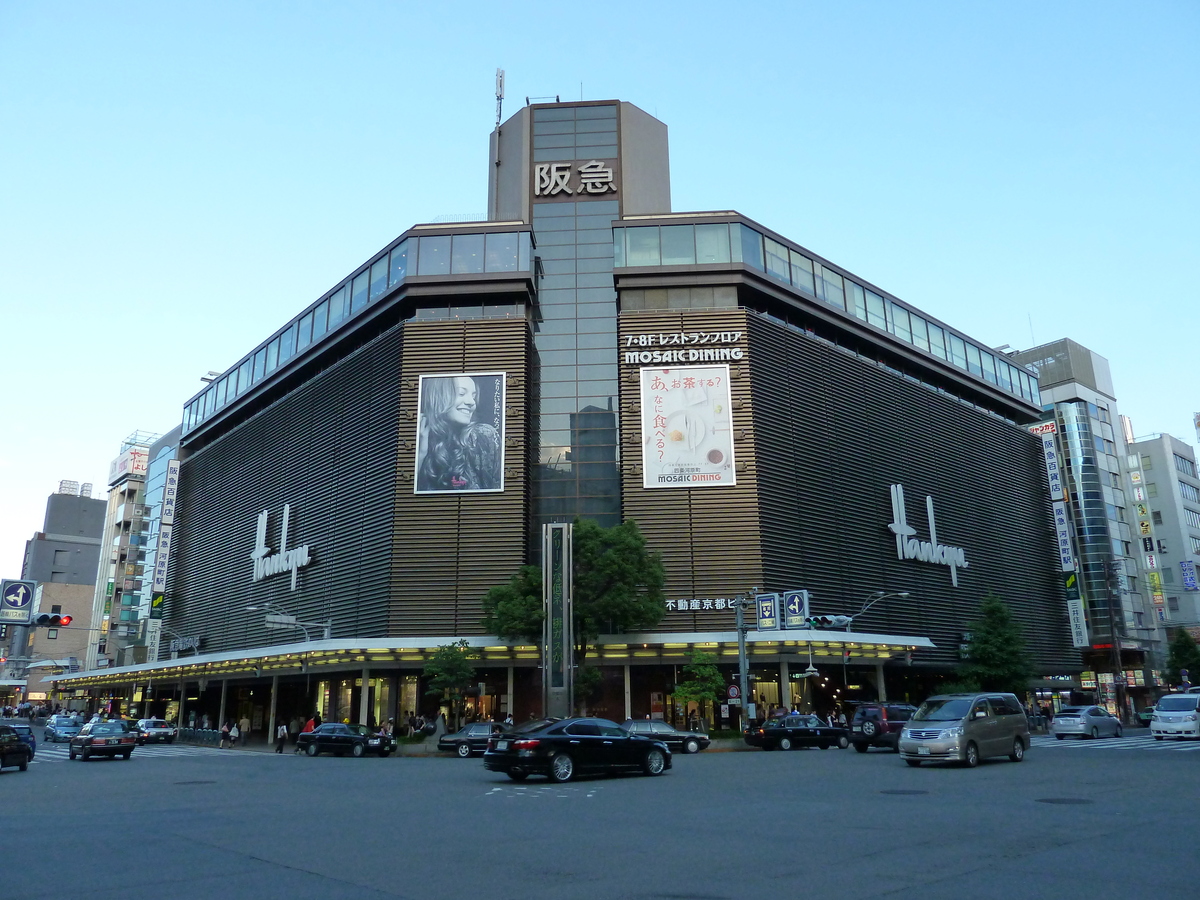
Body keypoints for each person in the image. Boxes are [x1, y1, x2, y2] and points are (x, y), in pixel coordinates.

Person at [415, 374, 502, 492]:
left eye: (473, 396)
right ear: (438, 397)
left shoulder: (483, 436)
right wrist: (420, 454)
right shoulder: (423, 440)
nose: (471, 402)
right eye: (461, 393)